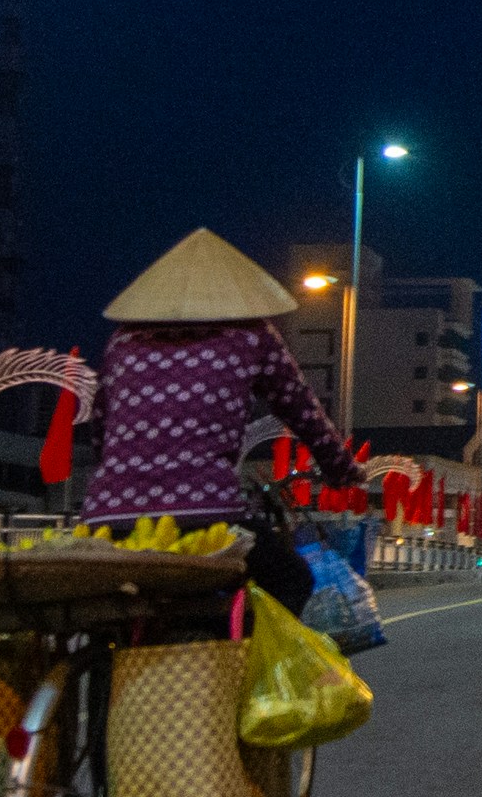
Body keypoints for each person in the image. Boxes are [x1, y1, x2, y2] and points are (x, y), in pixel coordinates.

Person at [82, 231, 367, 590]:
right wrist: (341, 469)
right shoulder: (252, 334)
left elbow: (100, 429)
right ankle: (243, 645)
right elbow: (302, 412)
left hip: (110, 517)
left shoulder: (122, 341)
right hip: (208, 515)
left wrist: (120, 478)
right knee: (292, 580)